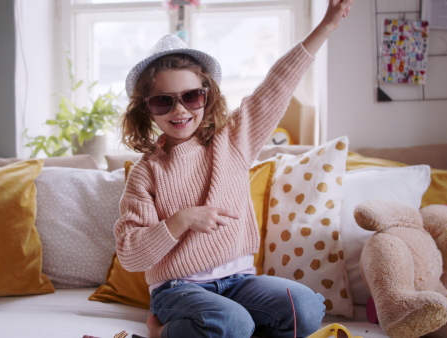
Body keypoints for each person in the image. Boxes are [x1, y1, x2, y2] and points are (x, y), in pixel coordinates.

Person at [115, 1, 354, 337]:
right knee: (232, 323)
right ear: (147, 110)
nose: (179, 110)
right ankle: (161, 333)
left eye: (191, 97)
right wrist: (181, 220)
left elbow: (279, 84)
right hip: (179, 289)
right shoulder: (146, 172)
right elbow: (130, 254)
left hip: (240, 282)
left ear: (207, 96)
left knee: (307, 309)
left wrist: (326, 26)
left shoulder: (233, 139)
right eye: (163, 101)